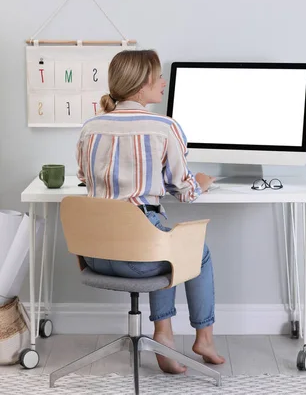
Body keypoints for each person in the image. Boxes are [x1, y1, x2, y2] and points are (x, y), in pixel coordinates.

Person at [76, 49, 225, 373]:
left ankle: (166, 337)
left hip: (94, 254)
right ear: (142, 83)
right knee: (193, 250)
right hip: (137, 259)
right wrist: (200, 182)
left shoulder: (90, 127)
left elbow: (85, 179)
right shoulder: (163, 126)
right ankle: (201, 337)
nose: (163, 82)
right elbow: (184, 192)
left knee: (166, 241)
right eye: (158, 76)